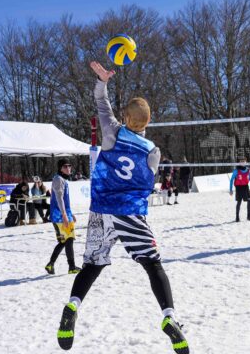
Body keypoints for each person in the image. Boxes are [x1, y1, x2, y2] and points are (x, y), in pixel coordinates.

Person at [56, 61, 188, 353]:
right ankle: (169, 317)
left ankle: (72, 306)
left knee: (91, 265)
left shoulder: (112, 132)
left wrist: (102, 81)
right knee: (153, 264)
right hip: (130, 212)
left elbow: (101, 103)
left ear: (125, 117)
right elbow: (148, 179)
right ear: (148, 122)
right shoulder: (153, 151)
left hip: (102, 210)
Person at [46, 159, 79, 275]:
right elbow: (59, 199)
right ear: (60, 168)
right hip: (59, 216)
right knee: (68, 240)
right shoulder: (58, 179)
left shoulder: (62, 179)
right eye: (65, 166)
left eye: (70, 166)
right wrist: (65, 215)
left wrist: (70, 214)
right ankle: (71, 267)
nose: (68, 168)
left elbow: (64, 200)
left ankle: (51, 264)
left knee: (64, 241)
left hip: (63, 215)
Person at [229, 157, 250, 222]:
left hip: (246, 187)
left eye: (244, 161)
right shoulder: (236, 170)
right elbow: (231, 180)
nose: (243, 162)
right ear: (239, 162)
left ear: (246, 162)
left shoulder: (248, 170)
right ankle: (237, 217)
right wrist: (230, 189)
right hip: (239, 187)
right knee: (239, 202)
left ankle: (248, 216)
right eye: (241, 161)